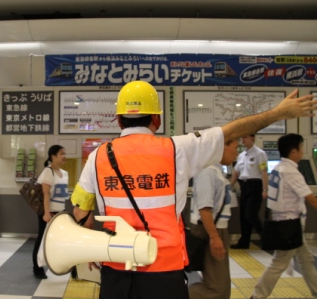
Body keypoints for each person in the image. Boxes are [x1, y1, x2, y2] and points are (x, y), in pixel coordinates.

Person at [70, 80, 317, 299]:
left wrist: (90, 245)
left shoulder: (97, 157)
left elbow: (81, 210)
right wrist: (279, 112)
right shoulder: (177, 149)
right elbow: (232, 130)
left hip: (116, 270)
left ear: (119, 119)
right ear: (156, 119)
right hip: (164, 270)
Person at [250, 133, 317, 299]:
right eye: (301, 148)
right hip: (290, 225)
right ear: (294, 152)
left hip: (283, 222)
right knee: (279, 263)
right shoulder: (291, 172)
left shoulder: (279, 168)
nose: (302, 152)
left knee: (306, 259)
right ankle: (257, 296)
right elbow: (310, 198)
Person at [188, 139, 239, 299]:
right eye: (235, 147)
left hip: (215, 230)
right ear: (221, 148)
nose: (237, 152)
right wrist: (215, 237)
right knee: (217, 289)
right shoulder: (208, 172)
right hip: (209, 230)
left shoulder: (217, 171)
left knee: (219, 285)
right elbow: (205, 209)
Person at [32, 145, 69, 279]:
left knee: (57, 239)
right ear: (53, 156)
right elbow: (46, 194)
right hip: (48, 212)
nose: (64, 156)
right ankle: (37, 268)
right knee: (41, 238)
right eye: (61, 154)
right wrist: (46, 213)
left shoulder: (64, 173)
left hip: (60, 211)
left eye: (65, 153)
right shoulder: (48, 172)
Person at [230, 134, 268, 249]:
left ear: (253, 138)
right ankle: (244, 241)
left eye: (245, 137)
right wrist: (229, 186)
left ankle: (266, 238)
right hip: (244, 186)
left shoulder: (260, 153)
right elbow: (236, 172)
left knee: (250, 214)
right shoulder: (241, 155)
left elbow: (264, 172)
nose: (242, 140)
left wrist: (265, 189)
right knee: (243, 216)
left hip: (255, 186)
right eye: (242, 138)